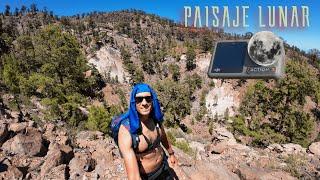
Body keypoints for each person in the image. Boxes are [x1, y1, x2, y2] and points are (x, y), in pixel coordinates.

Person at [117, 83, 177, 180]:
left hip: (164, 167)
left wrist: (171, 153)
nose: (144, 103)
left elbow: (163, 137)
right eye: (139, 99)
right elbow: (134, 177)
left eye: (148, 98)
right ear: (134, 102)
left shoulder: (155, 119)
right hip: (148, 176)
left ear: (152, 101)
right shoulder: (126, 130)